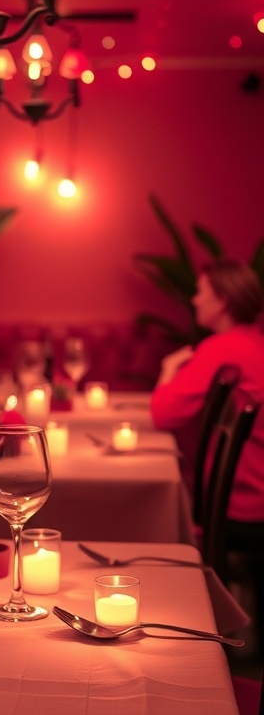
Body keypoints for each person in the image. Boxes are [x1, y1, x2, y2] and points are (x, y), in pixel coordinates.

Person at [151, 258, 264, 648]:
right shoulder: (255, 342)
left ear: (224, 300)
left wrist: (168, 369)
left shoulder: (224, 348)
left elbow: (162, 414)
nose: (195, 300)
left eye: (201, 292)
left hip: (245, 503)